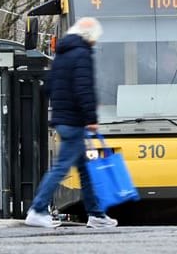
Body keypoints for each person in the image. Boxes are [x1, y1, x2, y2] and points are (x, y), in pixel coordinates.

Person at [25, 17, 118, 228]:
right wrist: (90, 118)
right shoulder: (81, 54)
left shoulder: (62, 54)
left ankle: (96, 214)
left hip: (63, 118)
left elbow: (48, 86)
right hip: (74, 121)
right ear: (90, 36)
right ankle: (37, 209)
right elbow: (83, 88)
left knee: (84, 170)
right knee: (60, 168)